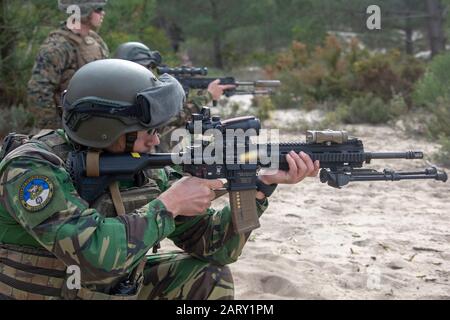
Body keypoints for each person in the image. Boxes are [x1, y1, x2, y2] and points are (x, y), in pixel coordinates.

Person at [0, 59, 320, 300]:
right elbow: (93, 256)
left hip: (117, 290)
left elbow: (216, 247)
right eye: (148, 131)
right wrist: (168, 205)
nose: (156, 140)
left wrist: (260, 186)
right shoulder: (31, 168)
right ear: (107, 130)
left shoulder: (142, 165)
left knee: (209, 276)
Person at [114, 41, 235, 152]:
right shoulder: (129, 96)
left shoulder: (121, 89)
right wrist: (208, 96)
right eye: (145, 67)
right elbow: (174, 116)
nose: (149, 72)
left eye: (150, 67)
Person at [27, 0, 109, 130]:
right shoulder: (57, 47)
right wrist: (55, 130)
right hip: (64, 130)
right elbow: (38, 92)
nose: (103, 13)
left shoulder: (95, 41)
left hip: (91, 127)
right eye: (98, 9)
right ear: (84, 12)